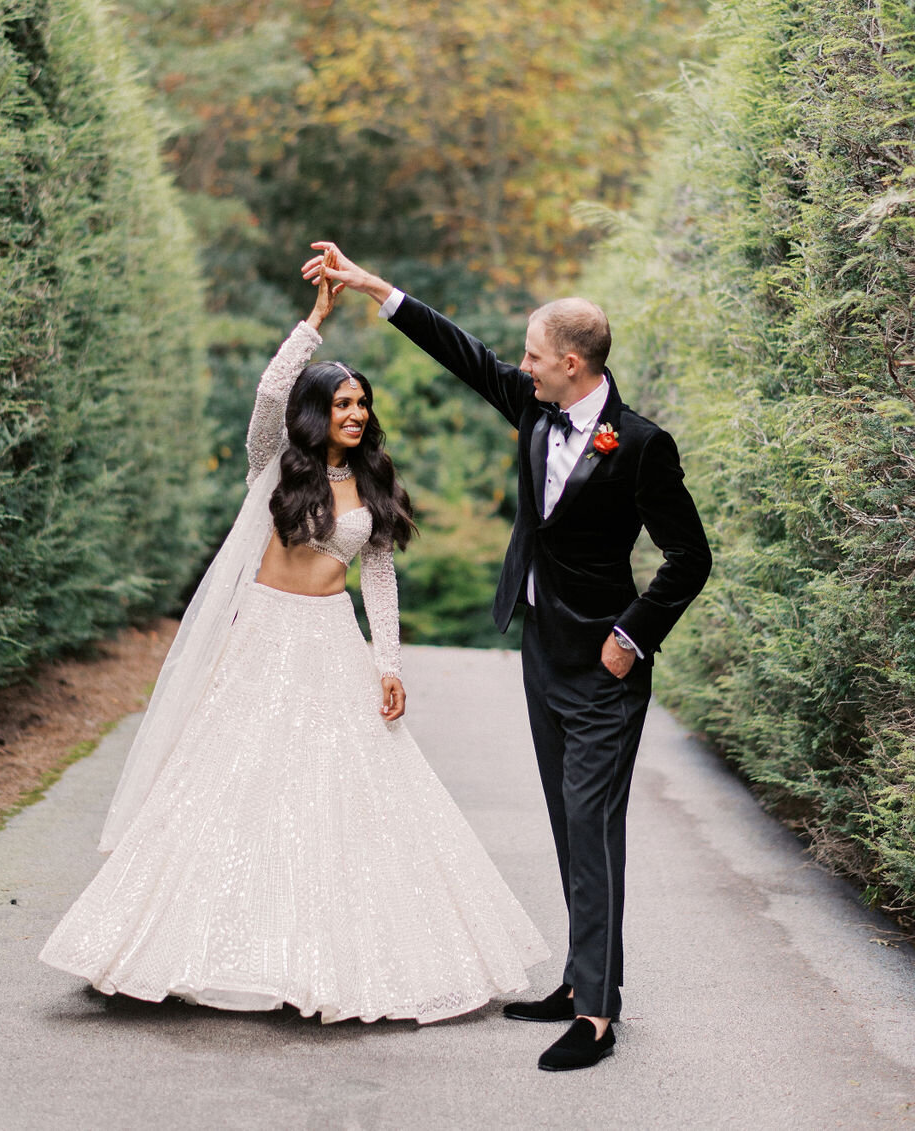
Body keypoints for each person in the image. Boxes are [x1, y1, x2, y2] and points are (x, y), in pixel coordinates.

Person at [39, 262, 547, 1024]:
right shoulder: (277, 462)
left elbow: (379, 577)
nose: (355, 412)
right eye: (342, 401)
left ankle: (326, 956)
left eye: (362, 403)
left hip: (331, 639)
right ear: (320, 410)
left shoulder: (373, 481)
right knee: (229, 782)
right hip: (264, 636)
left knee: (347, 787)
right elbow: (270, 396)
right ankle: (170, 947)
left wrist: (388, 663)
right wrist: (314, 321)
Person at [302, 242, 712, 1069]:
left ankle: (596, 1014)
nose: (517, 366)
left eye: (532, 355)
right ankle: (577, 976)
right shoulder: (535, 406)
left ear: (571, 361)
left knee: (592, 829)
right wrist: (373, 283)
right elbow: (460, 351)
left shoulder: (640, 446)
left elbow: (689, 557)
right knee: (569, 824)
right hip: (541, 655)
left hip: (604, 668)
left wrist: (629, 640)